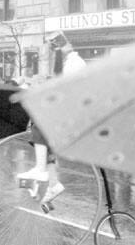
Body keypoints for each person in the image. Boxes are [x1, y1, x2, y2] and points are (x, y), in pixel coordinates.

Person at [15, 31, 86, 203]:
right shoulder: (69, 62)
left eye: (58, 46)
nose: (56, 51)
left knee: (39, 125)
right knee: (47, 147)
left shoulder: (75, 62)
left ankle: (40, 171)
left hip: (73, 114)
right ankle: (51, 184)